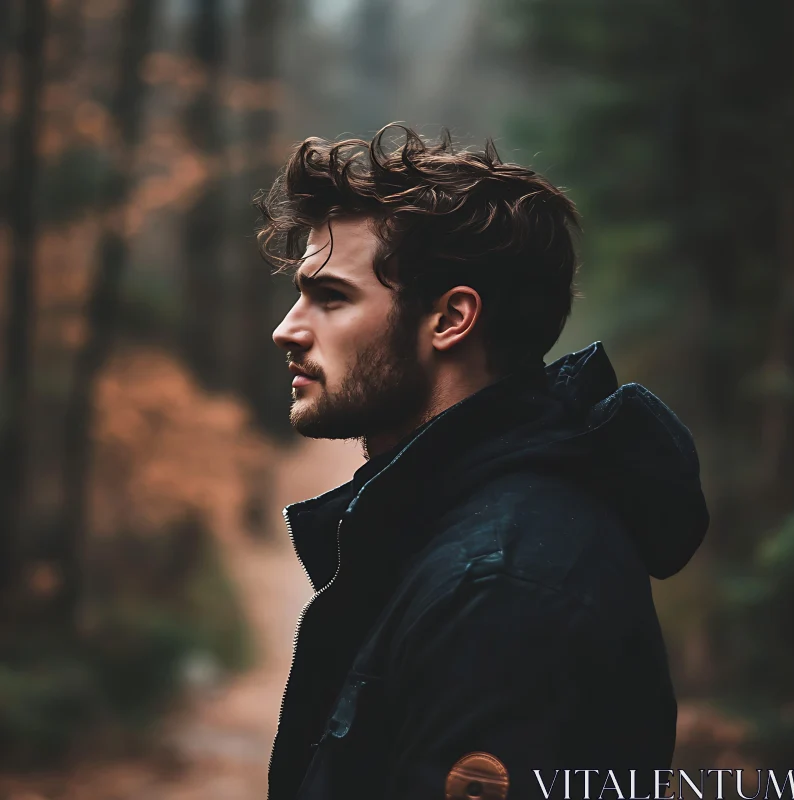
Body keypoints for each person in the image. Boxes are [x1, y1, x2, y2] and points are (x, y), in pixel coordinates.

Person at [258, 123, 709, 800]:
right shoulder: (448, 534)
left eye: (331, 298)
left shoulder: (503, 587)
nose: (287, 329)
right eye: (302, 294)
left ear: (450, 319)